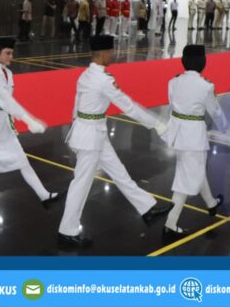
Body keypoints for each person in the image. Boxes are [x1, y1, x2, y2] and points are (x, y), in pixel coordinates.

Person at [57, 35, 171, 248]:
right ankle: (67, 231)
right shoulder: (104, 80)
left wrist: (76, 131)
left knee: (120, 173)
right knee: (80, 184)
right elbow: (129, 106)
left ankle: (147, 208)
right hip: (91, 137)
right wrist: (157, 124)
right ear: (103, 53)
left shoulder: (85, 75)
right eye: (111, 51)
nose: (113, 54)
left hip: (93, 132)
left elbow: (76, 105)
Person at [0, 37, 61, 219]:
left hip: (3, 124)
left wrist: (28, 119)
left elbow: (9, 102)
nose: (11, 56)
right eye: (7, 53)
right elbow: (6, 101)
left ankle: (44, 195)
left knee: (22, 160)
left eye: (12, 53)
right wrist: (28, 120)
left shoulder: (7, 73)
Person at [160, 45, 227, 239]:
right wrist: (227, 129)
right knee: (185, 181)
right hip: (194, 137)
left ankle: (211, 204)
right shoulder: (206, 86)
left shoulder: (173, 81)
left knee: (194, 169)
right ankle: (170, 224)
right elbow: (215, 112)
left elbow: (171, 103)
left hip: (177, 134)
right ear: (203, 62)